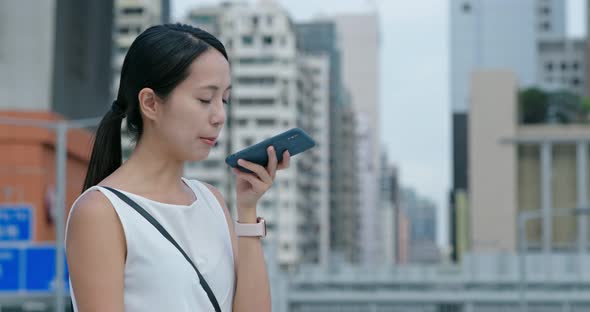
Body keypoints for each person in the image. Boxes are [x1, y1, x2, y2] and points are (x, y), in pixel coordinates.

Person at [65, 23, 290, 312]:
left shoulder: (212, 201)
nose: (220, 116)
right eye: (205, 99)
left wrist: (247, 212)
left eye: (224, 100)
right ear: (150, 103)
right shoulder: (100, 212)